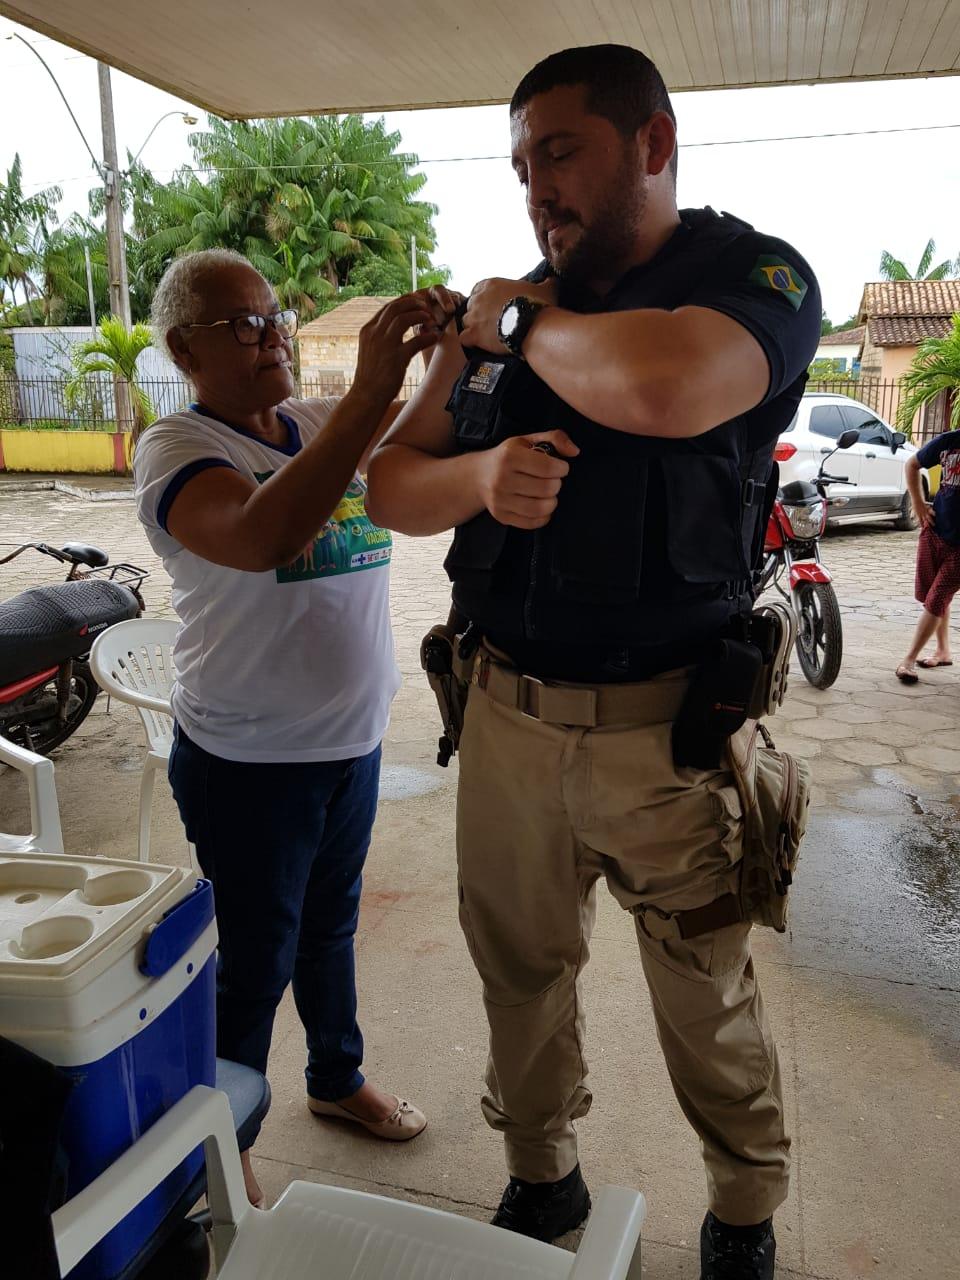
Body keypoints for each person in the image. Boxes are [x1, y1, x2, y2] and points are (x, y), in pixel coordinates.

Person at [367, 44, 820, 1280]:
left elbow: (670, 385)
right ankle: (540, 1176)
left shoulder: (750, 277)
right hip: (506, 716)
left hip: (669, 735)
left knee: (703, 988)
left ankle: (740, 1203)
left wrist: (515, 318)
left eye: (560, 152)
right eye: (521, 165)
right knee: (517, 973)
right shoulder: (501, 317)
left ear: (653, 144)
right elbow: (394, 481)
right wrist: (478, 476)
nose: (537, 188)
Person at [134, 248, 459, 1206]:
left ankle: (335, 1077)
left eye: (272, 313)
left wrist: (450, 346)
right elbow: (263, 533)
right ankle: (225, 1133)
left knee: (330, 930)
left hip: (349, 745)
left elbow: (424, 431)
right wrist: (369, 386)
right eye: (242, 322)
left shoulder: (317, 422)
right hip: (249, 761)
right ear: (186, 349)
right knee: (256, 959)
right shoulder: (178, 450)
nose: (270, 331)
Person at [896, 429, 960, 682]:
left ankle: (908, 660)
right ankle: (943, 650)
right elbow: (912, 464)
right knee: (932, 594)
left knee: (937, 597)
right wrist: (918, 503)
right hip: (935, 531)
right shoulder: (949, 441)